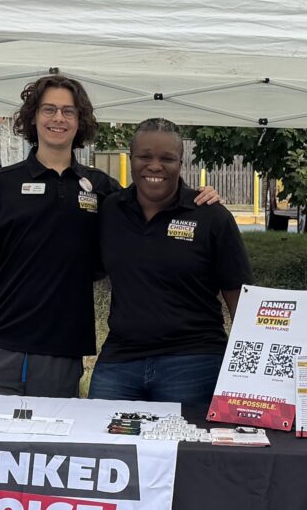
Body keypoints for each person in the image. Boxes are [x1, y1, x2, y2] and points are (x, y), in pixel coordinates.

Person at [0, 75, 219, 397]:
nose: (59, 118)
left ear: (80, 120)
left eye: (69, 111)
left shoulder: (103, 189)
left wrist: (200, 199)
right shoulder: (3, 184)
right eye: (49, 110)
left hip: (63, 350)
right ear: (33, 117)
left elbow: (157, 198)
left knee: (48, 445)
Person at [89, 118, 252, 405]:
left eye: (167, 158)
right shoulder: (110, 209)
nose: (155, 166)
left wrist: (248, 375)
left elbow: (240, 298)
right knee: (102, 445)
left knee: (185, 450)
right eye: (144, 156)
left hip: (194, 362)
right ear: (131, 158)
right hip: (120, 361)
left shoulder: (211, 216)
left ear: (181, 162)